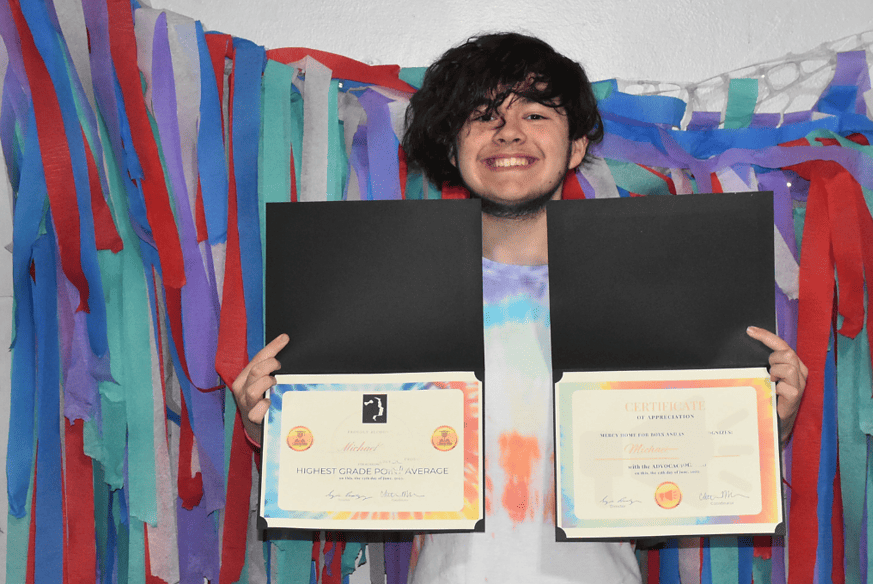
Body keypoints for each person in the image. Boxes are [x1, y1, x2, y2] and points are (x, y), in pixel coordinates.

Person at [230, 32, 808, 584]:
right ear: (453, 148)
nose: (509, 133)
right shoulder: (386, 301)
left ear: (577, 144)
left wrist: (759, 423)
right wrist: (278, 429)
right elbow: (352, 467)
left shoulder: (649, 297)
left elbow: (687, 472)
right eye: (484, 116)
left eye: (535, 114)